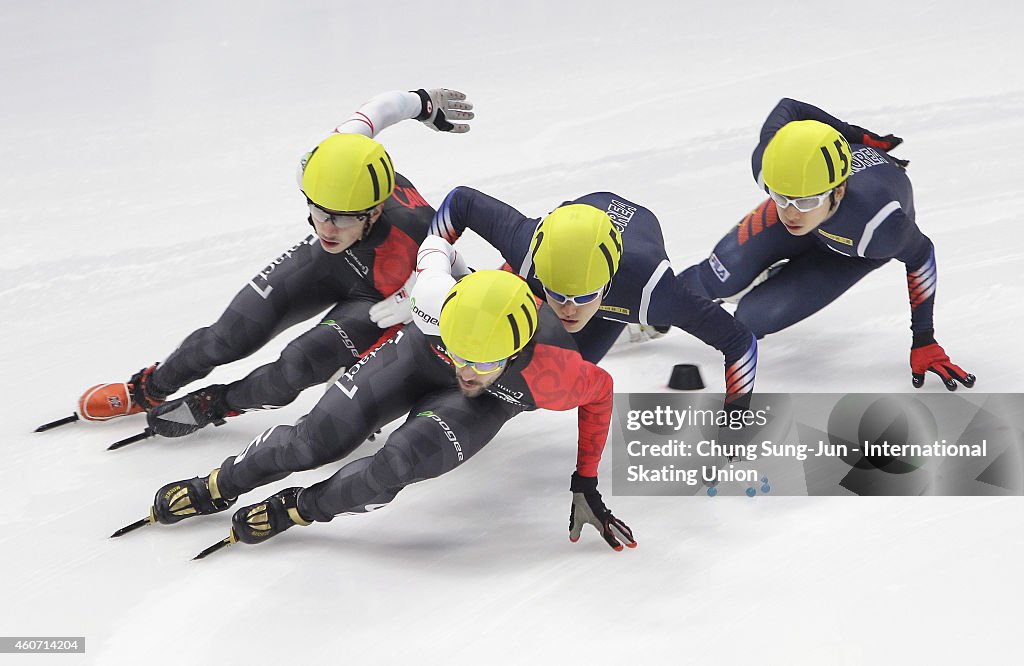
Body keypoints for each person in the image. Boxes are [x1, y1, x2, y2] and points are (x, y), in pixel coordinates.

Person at [127, 246, 635, 553]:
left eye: (481, 363)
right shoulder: (436, 300)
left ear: (516, 352)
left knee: (398, 461)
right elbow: (442, 236)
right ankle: (220, 482)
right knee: (313, 440)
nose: (465, 371)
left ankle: (302, 508)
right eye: (461, 353)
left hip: (495, 400)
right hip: (418, 351)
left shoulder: (557, 374)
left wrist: (585, 481)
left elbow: (602, 396)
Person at [74, 88, 476, 439]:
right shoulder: (329, 156)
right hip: (333, 268)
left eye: (340, 218)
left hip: (378, 300)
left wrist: (412, 302)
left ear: (372, 212)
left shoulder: (421, 232)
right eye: (317, 212)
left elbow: (465, 283)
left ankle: (219, 404)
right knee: (227, 336)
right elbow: (379, 109)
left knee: (301, 363)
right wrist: (423, 102)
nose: (326, 228)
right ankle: (146, 389)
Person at [678, 98, 975, 391]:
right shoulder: (771, 164)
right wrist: (856, 135)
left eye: (806, 201)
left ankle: (769, 280)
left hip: (853, 251)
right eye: (781, 197)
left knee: (751, 318)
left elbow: (921, 255)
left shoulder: (881, 227)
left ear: (839, 190)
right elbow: (789, 107)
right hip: (826, 218)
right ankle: (665, 313)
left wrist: (924, 338)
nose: (792, 213)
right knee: (717, 275)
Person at [426, 188, 758, 406]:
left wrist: (737, 417)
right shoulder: (525, 247)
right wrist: (426, 275)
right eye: (557, 294)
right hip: (565, 246)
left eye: (582, 296)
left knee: (563, 374)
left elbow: (739, 341)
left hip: (631, 286)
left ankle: (632, 324)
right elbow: (461, 202)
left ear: (606, 283)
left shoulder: (653, 293)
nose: (568, 309)